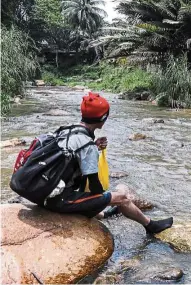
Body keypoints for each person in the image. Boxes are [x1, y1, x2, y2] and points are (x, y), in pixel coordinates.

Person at [44, 92, 173, 234]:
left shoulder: (68, 130)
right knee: (122, 198)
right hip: (56, 199)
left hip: (44, 190)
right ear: (102, 118)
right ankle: (151, 226)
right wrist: (108, 198)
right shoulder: (87, 146)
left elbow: (70, 155)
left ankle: (104, 215)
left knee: (93, 198)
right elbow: (95, 188)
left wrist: (94, 146)